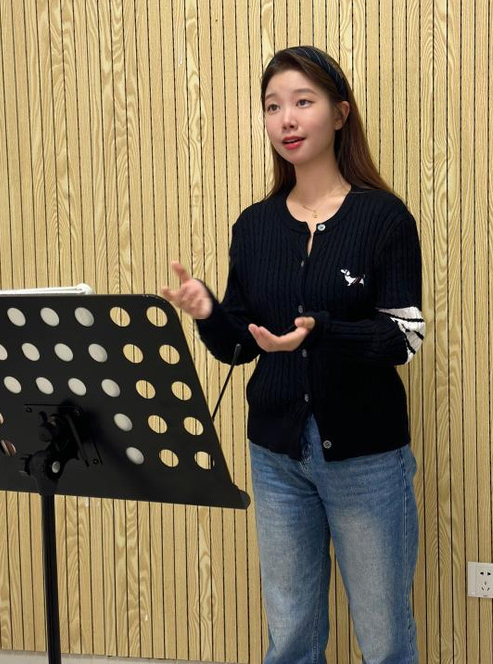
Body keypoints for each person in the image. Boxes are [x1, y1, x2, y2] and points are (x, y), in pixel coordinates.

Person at [161, 45, 425, 664]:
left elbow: (404, 338)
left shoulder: (384, 218)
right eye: (272, 106)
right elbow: (237, 346)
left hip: (366, 457)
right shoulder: (254, 227)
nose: (286, 119)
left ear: (340, 114)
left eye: (303, 102)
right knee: (292, 636)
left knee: (384, 637)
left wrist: (321, 331)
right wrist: (208, 312)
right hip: (276, 455)